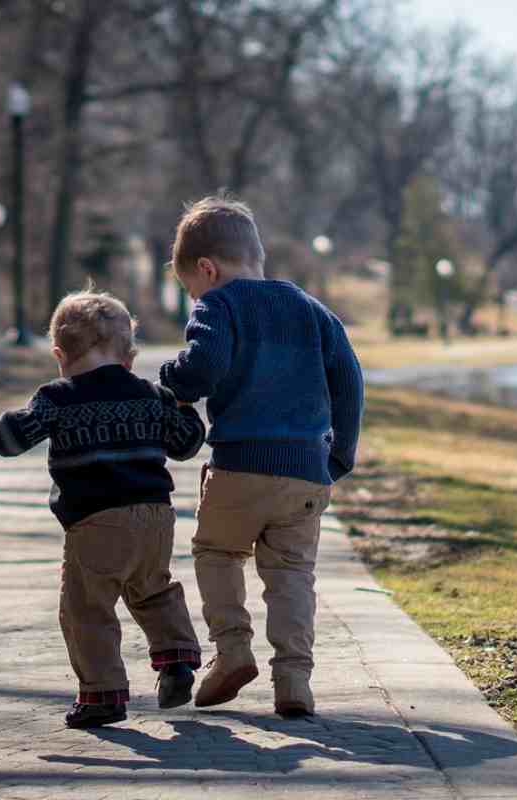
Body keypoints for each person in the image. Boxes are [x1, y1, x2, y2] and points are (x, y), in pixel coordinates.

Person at [0, 289, 205, 729]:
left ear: (59, 354)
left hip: (96, 521)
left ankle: (102, 694)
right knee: (153, 589)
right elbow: (186, 444)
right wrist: (184, 406)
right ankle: (177, 662)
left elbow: (13, 434)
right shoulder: (150, 394)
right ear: (129, 357)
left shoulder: (57, 398)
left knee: (86, 608)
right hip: (155, 518)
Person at [160, 196, 363, 717]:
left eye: (190, 289)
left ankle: (231, 652)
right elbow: (350, 381)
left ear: (207, 269)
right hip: (305, 471)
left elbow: (202, 369)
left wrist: (170, 378)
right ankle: (294, 681)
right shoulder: (313, 310)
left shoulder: (218, 306)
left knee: (218, 552)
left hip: (240, 465)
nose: (194, 297)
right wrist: (339, 455)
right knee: (293, 573)